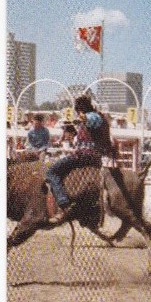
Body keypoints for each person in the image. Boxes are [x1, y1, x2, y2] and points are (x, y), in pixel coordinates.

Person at [44, 95, 116, 223]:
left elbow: (90, 119)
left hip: (85, 156)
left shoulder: (93, 117)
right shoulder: (96, 117)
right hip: (91, 156)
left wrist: (82, 117)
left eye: (78, 110)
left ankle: (64, 204)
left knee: (51, 172)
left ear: (81, 109)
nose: (78, 113)